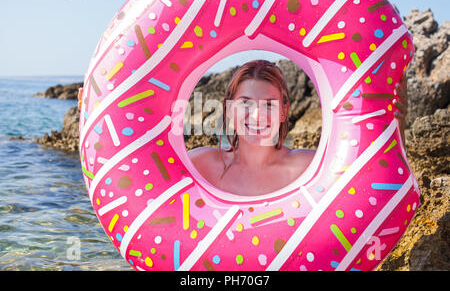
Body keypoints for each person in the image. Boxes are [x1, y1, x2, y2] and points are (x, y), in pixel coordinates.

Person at [78, 60, 408, 196]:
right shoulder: (204, 164)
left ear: (284, 113)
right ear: (229, 110)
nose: (257, 115)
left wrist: (397, 121)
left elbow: (374, 178)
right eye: (245, 103)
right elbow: (136, 182)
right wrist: (92, 121)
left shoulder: (311, 166)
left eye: (268, 104)